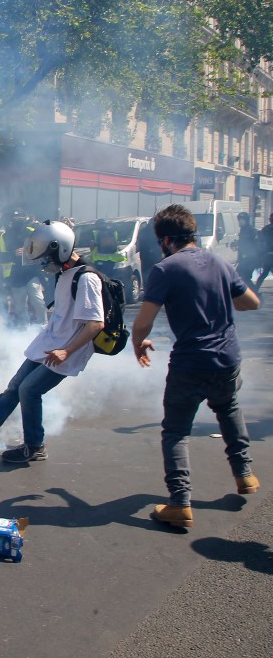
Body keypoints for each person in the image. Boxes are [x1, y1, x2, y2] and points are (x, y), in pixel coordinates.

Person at [131, 204, 261, 528]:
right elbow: (250, 302)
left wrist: (138, 344)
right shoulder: (219, 262)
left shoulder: (165, 269)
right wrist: (214, 294)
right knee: (228, 407)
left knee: (176, 431)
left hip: (190, 363)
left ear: (164, 240)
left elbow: (143, 322)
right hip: (228, 359)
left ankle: (180, 502)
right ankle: (244, 475)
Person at [0, 220, 105, 463]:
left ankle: (35, 446)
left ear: (60, 249)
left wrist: (66, 351)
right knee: (15, 386)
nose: (44, 266)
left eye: (46, 259)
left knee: (29, 390)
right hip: (49, 343)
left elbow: (96, 324)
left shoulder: (86, 279)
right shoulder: (66, 273)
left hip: (66, 349)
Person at [234, 211, 261, 293]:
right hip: (244, 260)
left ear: (246, 220)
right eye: (239, 219)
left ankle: (255, 295)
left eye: (242, 219)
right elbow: (242, 246)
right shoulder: (242, 230)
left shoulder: (251, 231)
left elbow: (253, 245)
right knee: (239, 277)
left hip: (251, 259)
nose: (240, 221)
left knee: (244, 277)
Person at [254, 212, 273, 290]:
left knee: (264, 273)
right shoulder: (265, 229)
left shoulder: (265, 229)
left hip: (267, 255)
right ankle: (255, 288)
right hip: (268, 255)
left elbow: (260, 242)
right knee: (265, 273)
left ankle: (256, 288)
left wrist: (261, 255)